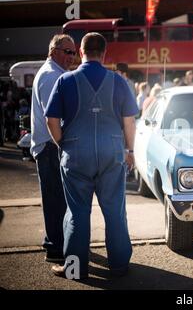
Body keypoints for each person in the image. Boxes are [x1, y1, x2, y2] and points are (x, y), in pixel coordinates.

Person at [45, 32, 138, 279]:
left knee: (76, 212)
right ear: (104, 53)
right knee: (115, 211)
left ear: (81, 52)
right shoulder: (119, 82)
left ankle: (75, 269)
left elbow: (51, 120)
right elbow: (129, 121)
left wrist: (62, 142)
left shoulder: (65, 80)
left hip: (76, 152)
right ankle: (119, 265)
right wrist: (130, 151)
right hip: (111, 152)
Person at [30, 34, 75, 263]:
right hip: (50, 148)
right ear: (53, 51)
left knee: (57, 200)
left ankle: (57, 244)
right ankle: (56, 248)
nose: (71, 57)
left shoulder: (55, 74)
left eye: (74, 53)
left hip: (50, 147)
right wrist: (65, 144)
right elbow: (54, 118)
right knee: (56, 201)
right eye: (67, 52)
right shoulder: (50, 76)